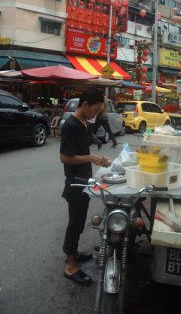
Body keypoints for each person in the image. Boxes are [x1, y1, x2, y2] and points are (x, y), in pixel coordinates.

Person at [60, 90, 111, 285]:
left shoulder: (82, 124)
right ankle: (70, 265)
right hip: (75, 183)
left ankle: (73, 253)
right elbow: (64, 157)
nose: (95, 115)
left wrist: (99, 160)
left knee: (80, 221)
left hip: (84, 181)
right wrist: (91, 158)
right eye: (95, 110)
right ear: (86, 104)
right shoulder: (71, 125)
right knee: (75, 223)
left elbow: (81, 150)